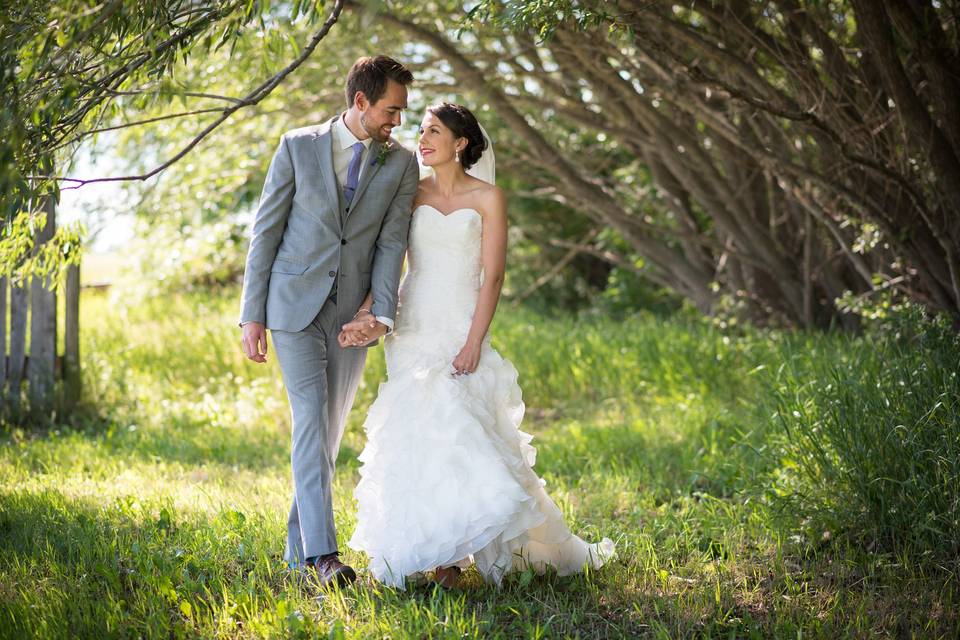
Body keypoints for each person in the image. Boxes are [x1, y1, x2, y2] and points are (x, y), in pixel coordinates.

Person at [340, 102, 615, 589]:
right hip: (414, 323)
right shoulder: (411, 193)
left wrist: (474, 341)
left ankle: (466, 549)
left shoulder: (489, 197)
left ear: (460, 143)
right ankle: (436, 555)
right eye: (421, 131)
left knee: (462, 428)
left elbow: (494, 276)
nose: (421, 139)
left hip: (461, 321)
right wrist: (371, 313)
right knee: (418, 433)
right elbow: (389, 260)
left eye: (433, 132)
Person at [237, 55, 419, 588]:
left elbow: (391, 243)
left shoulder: (401, 164)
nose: (397, 122)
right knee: (312, 421)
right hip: (292, 306)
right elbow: (265, 232)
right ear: (360, 102)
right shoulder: (297, 146)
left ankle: (299, 551)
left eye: (402, 112)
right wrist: (252, 315)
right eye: (391, 110)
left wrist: (380, 313)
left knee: (329, 432)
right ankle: (324, 557)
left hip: (351, 318)